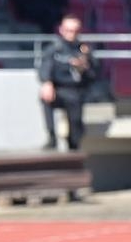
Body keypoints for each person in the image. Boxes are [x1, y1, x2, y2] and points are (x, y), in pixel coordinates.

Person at [38, 14, 98, 151]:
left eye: (75, 31)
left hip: (77, 91)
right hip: (59, 89)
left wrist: (84, 67)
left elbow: (95, 74)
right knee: (45, 98)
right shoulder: (54, 49)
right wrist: (47, 83)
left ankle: (73, 143)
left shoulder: (84, 50)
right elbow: (45, 68)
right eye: (68, 30)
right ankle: (51, 137)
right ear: (62, 30)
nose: (71, 34)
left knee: (75, 127)